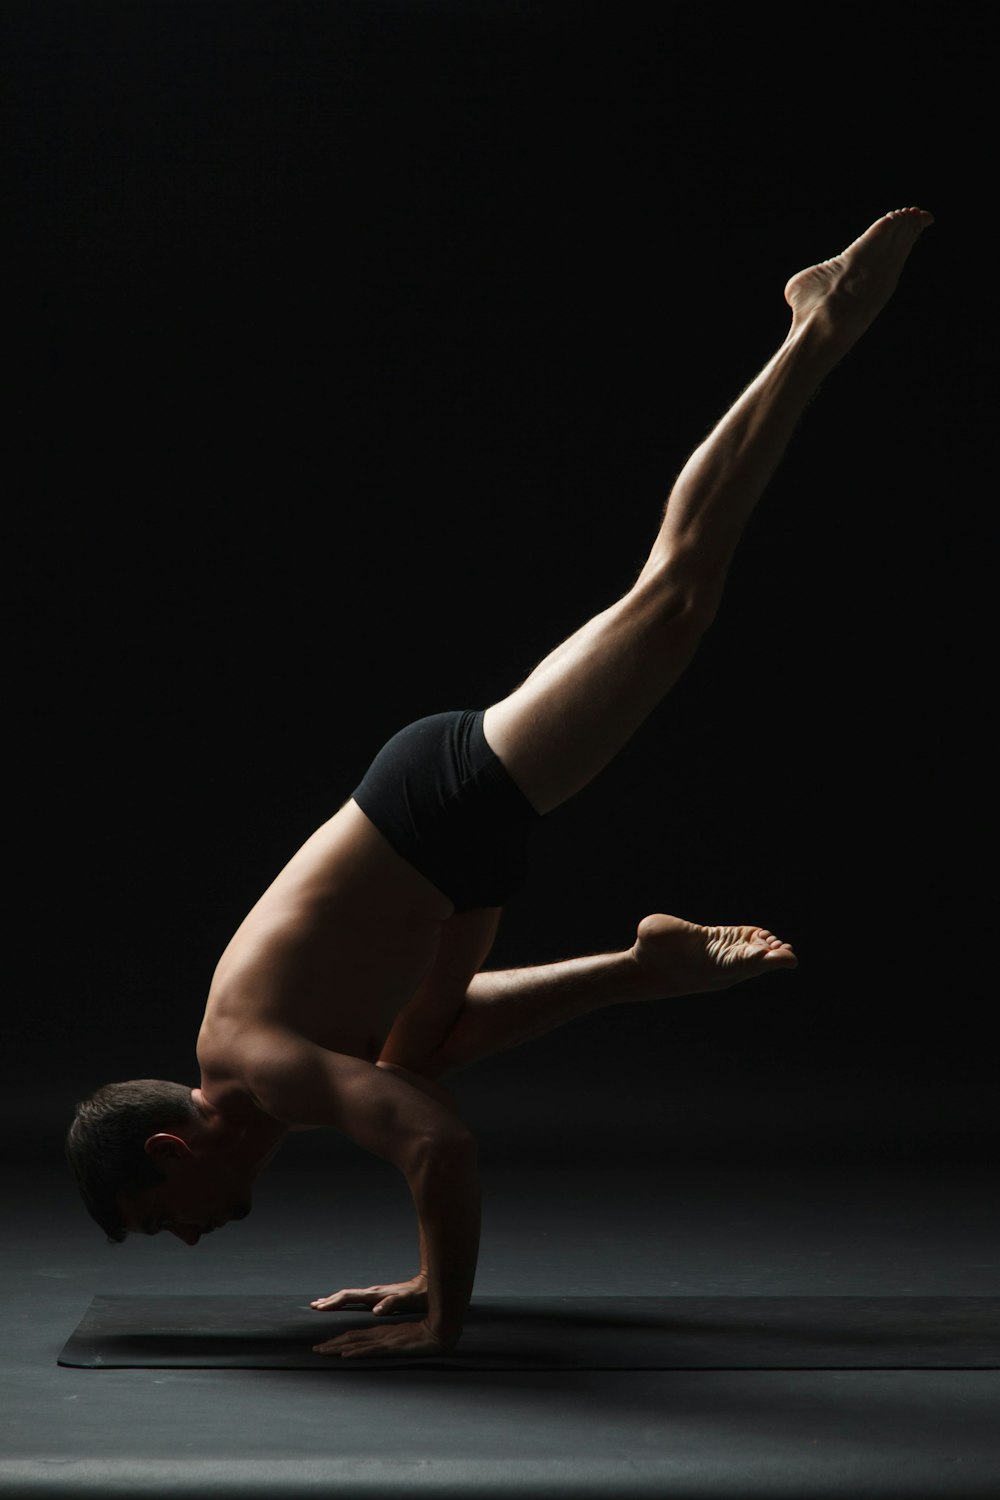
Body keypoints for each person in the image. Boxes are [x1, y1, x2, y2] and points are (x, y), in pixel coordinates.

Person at [66, 207, 934, 1360]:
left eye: (158, 1224)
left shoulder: (250, 1065)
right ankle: (645, 962)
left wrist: (443, 1324)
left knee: (672, 599)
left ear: (171, 1155)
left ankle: (811, 326)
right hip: (451, 869)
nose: (185, 1242)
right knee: (413, 1053)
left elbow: (440, 1145)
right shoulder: (276, 1087)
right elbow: (432, 1054)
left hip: (442, 804)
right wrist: (425, 1272)